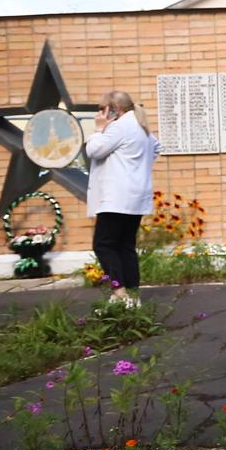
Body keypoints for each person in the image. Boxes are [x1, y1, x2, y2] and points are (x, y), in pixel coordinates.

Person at [84, 90, 159, 308]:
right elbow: (156, 148)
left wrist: (98, 129)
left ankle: (119, 292)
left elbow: (94, 150)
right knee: (125, 245)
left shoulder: (118, 127)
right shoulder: (142, 127)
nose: (99, 113)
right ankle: (133, 295)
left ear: (113, 109)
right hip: (136, 196)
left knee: (104, 245)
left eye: (101, 109)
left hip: (116, 197)